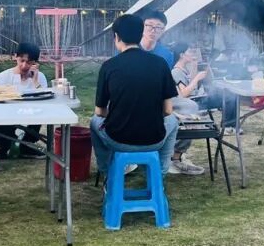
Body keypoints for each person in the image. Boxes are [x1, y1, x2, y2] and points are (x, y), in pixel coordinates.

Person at [90, 13, 179, 177]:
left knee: (94, 121)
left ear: (116, 37)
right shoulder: (160, 64)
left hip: (117, 139)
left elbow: (100, 112)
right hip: (154, 139)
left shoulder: (109, 66)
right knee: (173, 120)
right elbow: (167, 110)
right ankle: (159, 172)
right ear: (140, 35)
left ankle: (107, 171)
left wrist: (120, 114)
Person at [166, 42, 210, 176]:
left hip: (186, 105)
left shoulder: (183, 69)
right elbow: (184, 93)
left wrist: (195, 66)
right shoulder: (176, 71)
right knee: (191, 123)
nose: (193, 54)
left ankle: (177, 156)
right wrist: (197, 78)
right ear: (182, 55)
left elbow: (191, 86)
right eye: (190, 52)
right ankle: (175, 158)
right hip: (178, 107)